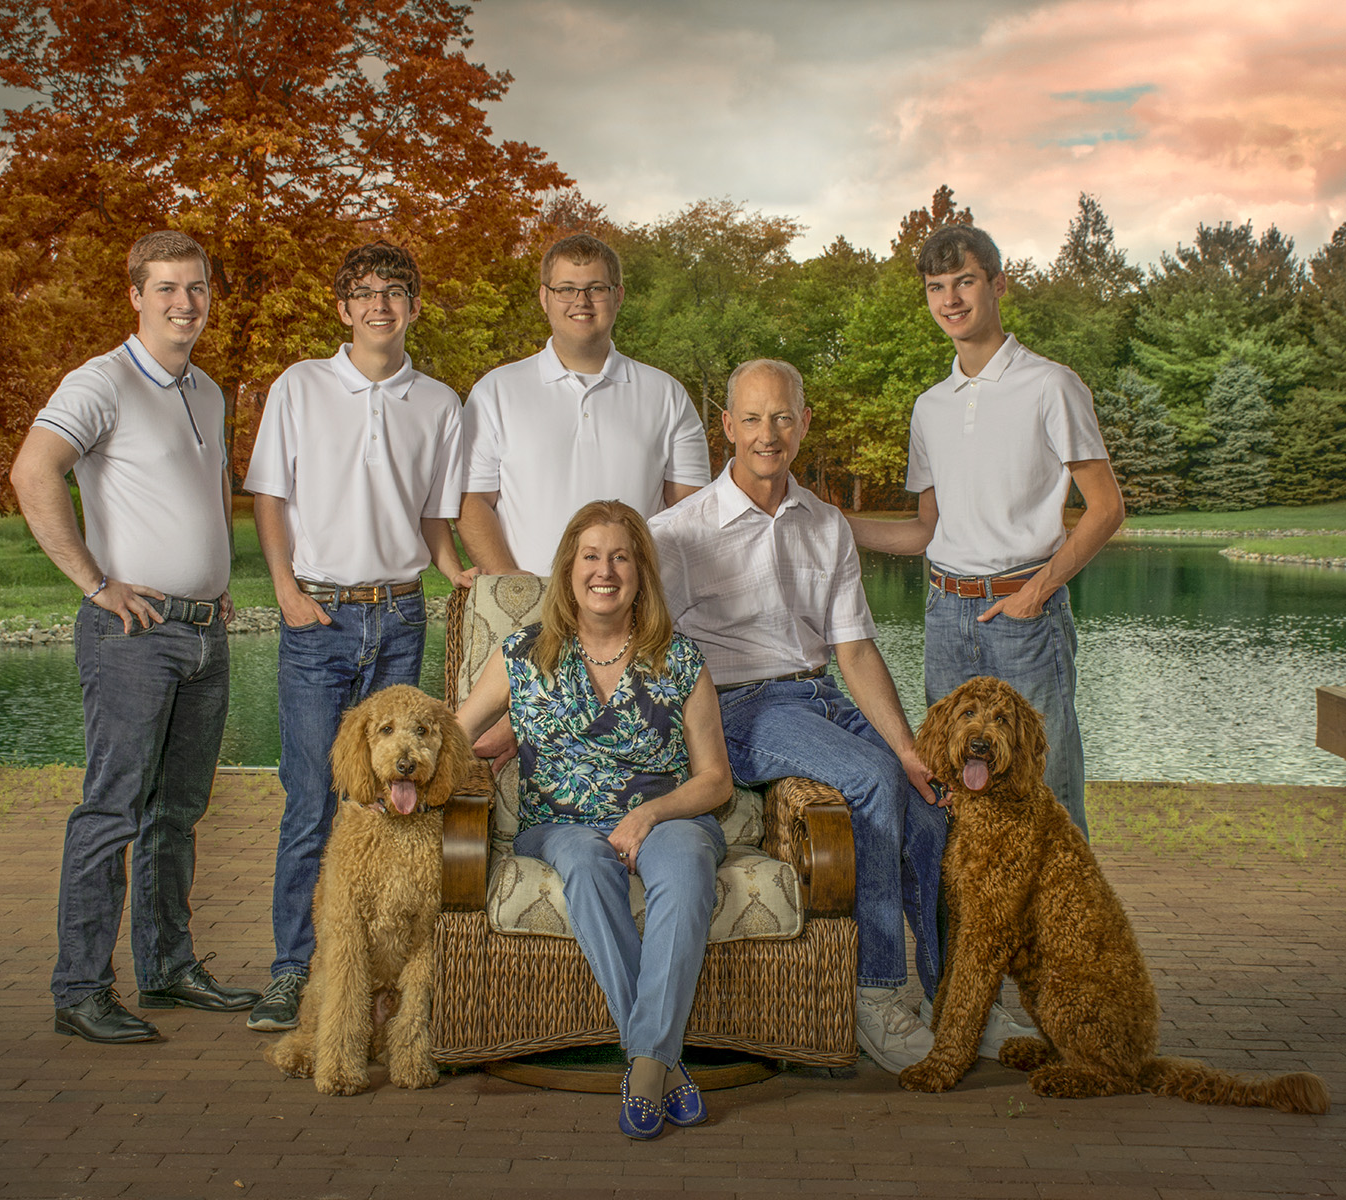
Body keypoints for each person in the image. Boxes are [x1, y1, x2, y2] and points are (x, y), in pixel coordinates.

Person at [648, 358, 965, 1075]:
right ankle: (876, 992)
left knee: (928, 801)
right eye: (753, 419)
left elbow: (854, 650)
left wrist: (913, 750)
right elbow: (642, 648)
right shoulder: (676, 533)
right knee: (870, 779)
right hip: (738, 708)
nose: (769, 433)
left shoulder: (826, 525)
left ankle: (956, 995)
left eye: (783, 417)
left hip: (821, 695)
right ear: (726, 427)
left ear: (804, 423)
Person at [10, 230, 259, 1044]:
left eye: (197, 288)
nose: (185, 303)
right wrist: (94, 582)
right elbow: (32, 470)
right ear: (135, 295)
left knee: (177, 815)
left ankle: (168, 968)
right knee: (111, 812)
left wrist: (214, 582)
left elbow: (207, 488)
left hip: (200, 633)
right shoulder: (101, 380)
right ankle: (81, 989)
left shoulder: (208, 390)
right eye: (166, 289)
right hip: (131, 633)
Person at [242, 241, 475, 1033]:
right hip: (321, 617)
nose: (381, 305)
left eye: (396, 293)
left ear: (413, 307)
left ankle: (383, 978)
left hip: (401, 613)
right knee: (313, 800)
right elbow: (270, 497)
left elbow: (434, 514)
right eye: (365, 294)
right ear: (343, 308)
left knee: (397, 802)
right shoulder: (301, 386)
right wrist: (285, 591)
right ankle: (291, 973)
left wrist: (454, 571)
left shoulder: (440, 403)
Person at [456, 500, 732, 1139]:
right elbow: (452, 732)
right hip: (561, 823)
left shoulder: (679, 659)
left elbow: (715, 779)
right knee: (584, 862)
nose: (604, 570)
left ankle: (643, 1066)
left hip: (669, 817)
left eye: (620, 556)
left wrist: (651, 813)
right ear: (567, 569)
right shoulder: (523, 655)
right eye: (590, 556)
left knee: (689, 863)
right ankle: (662, 1065)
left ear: (640, 572)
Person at [847, 225, 1125, 839]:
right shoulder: (931, 406)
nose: (950, 299)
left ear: (997, 285)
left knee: (1045, 792)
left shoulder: (1051, 385)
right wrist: (834, 521)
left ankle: (1062, 935)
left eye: (964, 281)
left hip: (1024, 615)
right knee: (953, 798)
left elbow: (1107, 508)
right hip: (945, 615)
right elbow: (925, 531)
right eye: (936, 287)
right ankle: (962, 939)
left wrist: (1037, 592)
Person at [457, 233, 711, 577]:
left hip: (634, 606)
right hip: (530, 603)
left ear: (618, 296)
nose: (582, 301)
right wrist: (508, 580)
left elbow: (690, 512)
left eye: (596, 288)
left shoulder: (668, 395)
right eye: (566, 289)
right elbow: (472, 501)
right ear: (544, 297)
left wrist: (650, 586)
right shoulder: (495, 392)